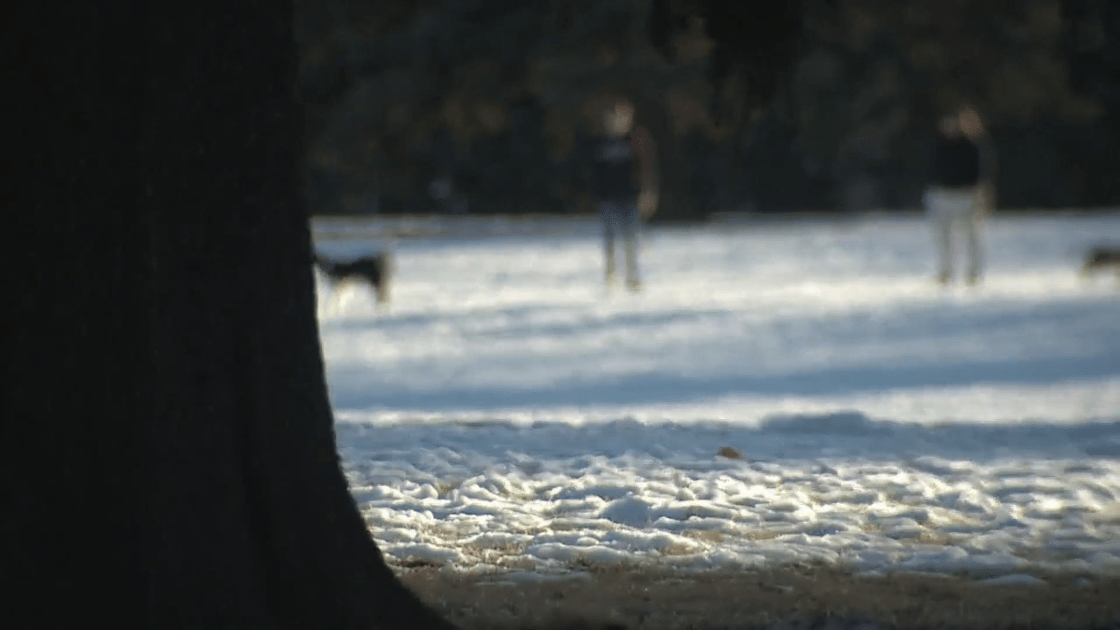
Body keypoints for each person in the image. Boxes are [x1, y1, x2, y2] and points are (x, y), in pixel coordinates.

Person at [589, 98, 659, 292]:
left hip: (630, 199)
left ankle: (632, 276)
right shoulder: (600, 144)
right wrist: (596, 196)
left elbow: (646, 169)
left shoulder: (636, 142)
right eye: (613, 119)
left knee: (631, 240)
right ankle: (610, 275)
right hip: (608, 199)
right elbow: (595, 174)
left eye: (622, 119)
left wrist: (648, 192)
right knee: (610, 240)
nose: (618, 123)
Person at [923, 104, 996, 286]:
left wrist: (982, 195)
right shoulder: (937, 145)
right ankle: (945, 272)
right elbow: (930, 171)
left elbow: (981, 173)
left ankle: (973, 272)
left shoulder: (972, 146)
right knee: (943, 238)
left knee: (972, 237)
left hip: (966, 196)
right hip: (942, 196)